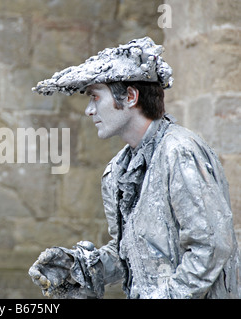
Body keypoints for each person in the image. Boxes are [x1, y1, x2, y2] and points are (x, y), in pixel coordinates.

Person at [28, 37, 240, 299]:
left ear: (130, 96)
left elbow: (211, 247)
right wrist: (78, 268)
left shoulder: (180, 151)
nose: (89, 110)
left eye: (95, 96)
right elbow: (126, 254)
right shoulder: (117, 169)